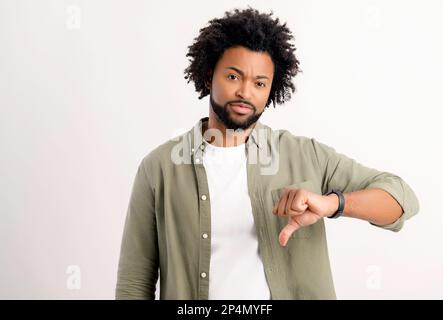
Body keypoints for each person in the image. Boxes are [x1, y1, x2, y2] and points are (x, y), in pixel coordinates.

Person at [115, 7, 419, 300]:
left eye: (260, 83)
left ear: (271, 90)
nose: (246, 93)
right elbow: (133, 284)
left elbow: (401, 199)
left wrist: (332, 204)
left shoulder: (304, 155)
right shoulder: (159, 168)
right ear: (209, 76)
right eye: (233, 77)